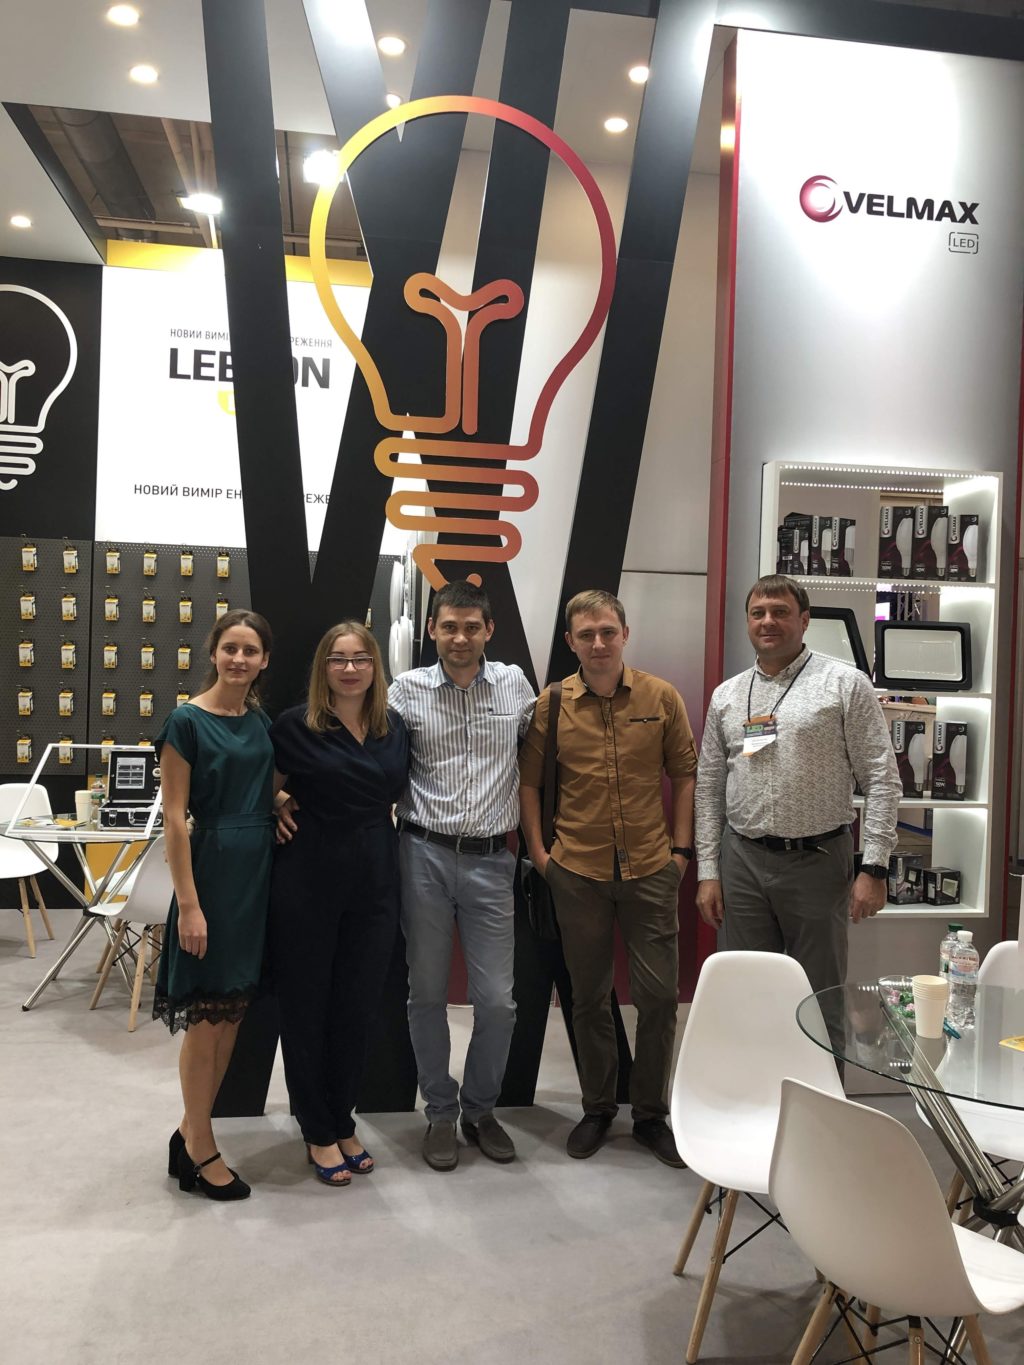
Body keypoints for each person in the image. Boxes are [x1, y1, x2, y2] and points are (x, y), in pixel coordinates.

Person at [519, 589, 697, 1167]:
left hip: (650, 870)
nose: (598, 643)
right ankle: (597, 1108)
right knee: (589, 998)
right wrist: (541, 855)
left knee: (659, 998)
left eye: (607, 632)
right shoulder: (551, 705)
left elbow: (685, 775)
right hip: (578, 872)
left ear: (625, 635)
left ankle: (650, 1115)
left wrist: (680, 853)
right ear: (570, 642)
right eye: (586, 634)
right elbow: (529, 784)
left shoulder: (660, 697)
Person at [694, 574, 901, 999]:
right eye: (758, 613)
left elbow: (882, 778)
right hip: (742, 862)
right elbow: (710, 787)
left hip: (817, 862)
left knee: (819, 996)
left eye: (780, 612)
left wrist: (875, 868)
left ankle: (817, 1050)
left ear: (804, 620)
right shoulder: (727, 695)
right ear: (748, 622)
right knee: (748, 992)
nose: (768, 621)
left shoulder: (844, 684)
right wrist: (709, 872)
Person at [388, 580, 535, 1172]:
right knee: (426, 993)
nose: (460, 637)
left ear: (489, 631)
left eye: (472, 627)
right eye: (449, 626)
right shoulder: (405, 691)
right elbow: (369, 759)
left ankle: (480, 1109)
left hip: (492, 861)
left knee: (497, 1002)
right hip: (422, 854)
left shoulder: (515, 685)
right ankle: (441, 1113)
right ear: (432, 630)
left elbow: (544, 759)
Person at [269, 622, 409, 1187]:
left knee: (358, 1006)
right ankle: (317, 1128)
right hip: (309, 874)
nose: (350, 669)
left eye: (360, 659)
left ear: (375, 667)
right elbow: (258, 785)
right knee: (306, 1006)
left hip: (376, 874)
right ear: (322, 668)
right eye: (338, 659)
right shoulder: (294, 725)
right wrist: (278, 799)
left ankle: (342, 1118)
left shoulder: (392, 726)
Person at [156, 608, 276, 1202]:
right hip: (212, 877)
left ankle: (188, 1135)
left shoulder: (259, 722)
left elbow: (266, 786)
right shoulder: (186, 721)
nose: (239, 659)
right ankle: (202, 1146)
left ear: (264, 661)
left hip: (257, 877)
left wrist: (281, 805)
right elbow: (175, 819)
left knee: (230, 1016)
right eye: (231, 648)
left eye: (250, 650)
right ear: (213, 652)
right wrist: (189, 905)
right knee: (205, 1019)